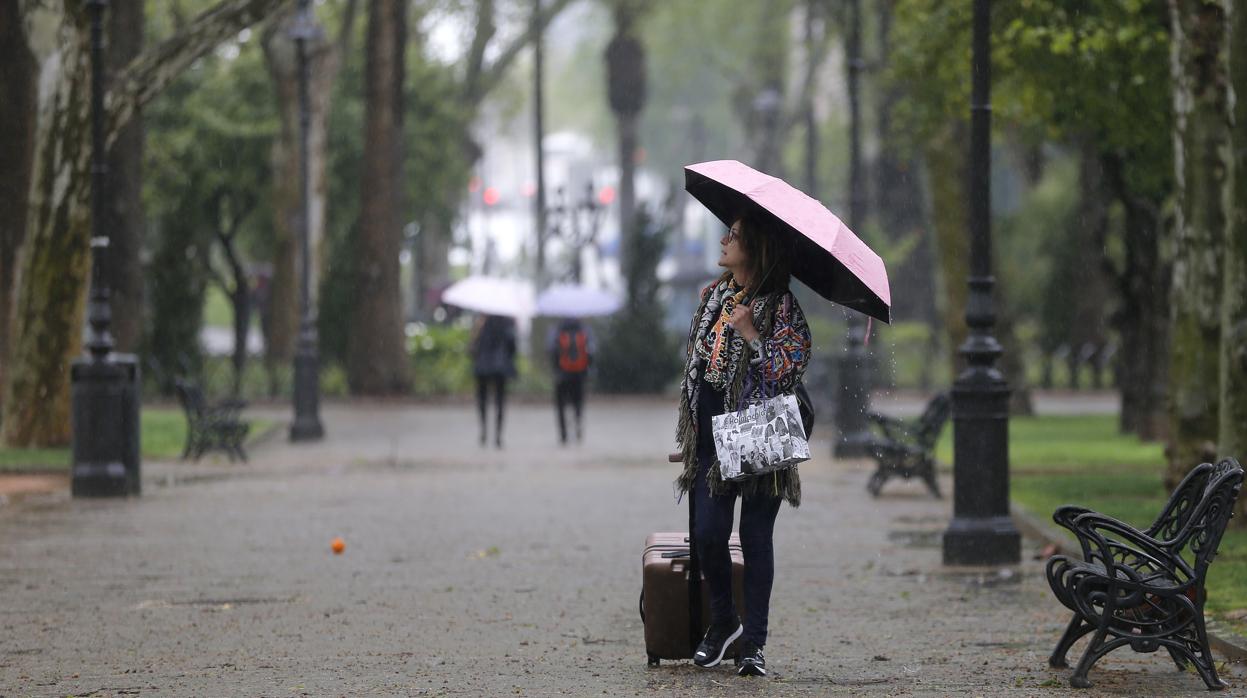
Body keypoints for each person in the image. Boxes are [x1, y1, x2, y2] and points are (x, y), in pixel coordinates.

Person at [674, 210, 811, 677]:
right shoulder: (714, 297)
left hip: (758, 438)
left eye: (732, 236)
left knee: (755, 539)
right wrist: (691, 434)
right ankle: (724, 622)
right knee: (707, 534)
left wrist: (753, 333)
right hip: (711, 440)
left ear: (754, 249)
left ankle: (753, 644)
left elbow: (787, 370)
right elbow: (697, 375)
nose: (723, 240)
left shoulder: (782, 306)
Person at [470, 314, 517, 448]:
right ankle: (498, 435)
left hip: (482, 366)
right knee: (500, 402)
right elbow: (512, 344)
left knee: (482, 400)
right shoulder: (507, 321)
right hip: (500, 366)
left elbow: (473, 347)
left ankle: (484, 430)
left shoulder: (481, 321)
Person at [548, 317, 594, 444]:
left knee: (561, 405)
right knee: (578, 402)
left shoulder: (556, 330)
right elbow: (591, 352)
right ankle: (578, 424)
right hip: (579, 373)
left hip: (561, 374)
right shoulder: (585, 329)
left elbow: (551, 350)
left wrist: (556, 368)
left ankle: (563, 434)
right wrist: (587, 369)